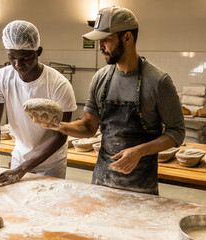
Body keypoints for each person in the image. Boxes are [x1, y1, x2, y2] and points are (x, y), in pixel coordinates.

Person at [34, 6, 185, 195]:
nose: (100, 47)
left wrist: (138, 151)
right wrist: (58, 126)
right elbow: (89, 127)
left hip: (141, 188)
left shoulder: (158, 82)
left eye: (106, 40)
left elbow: (177, 132)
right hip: (101, 182)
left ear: (127, 38)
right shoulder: (100, 78)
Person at [0, 20, 77, 194]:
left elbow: (60, 135)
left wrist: (22, 170)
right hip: (19, 157)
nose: (18, 65)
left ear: (38, 52)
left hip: (51, 163)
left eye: (25, 58)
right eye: (12, 58)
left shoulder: (58, 84)